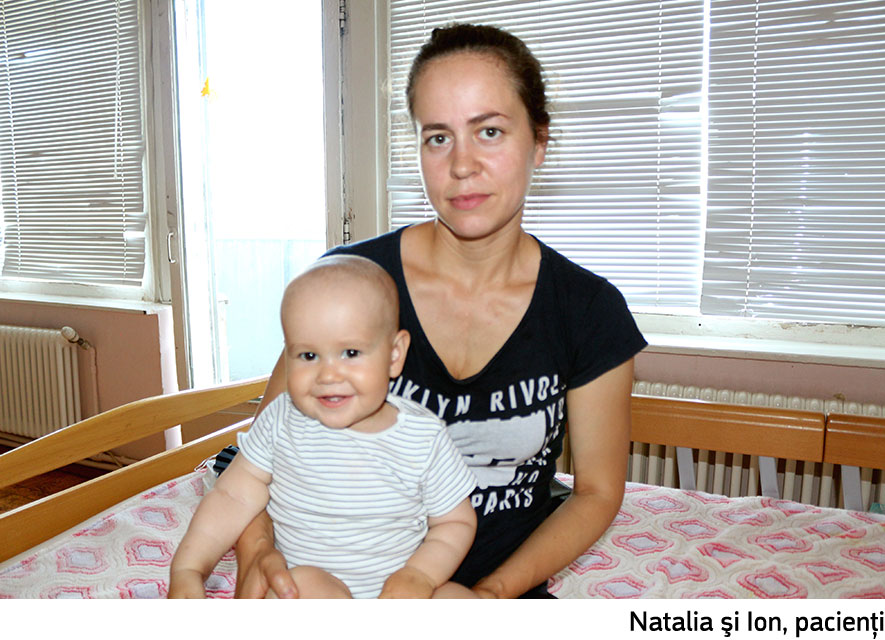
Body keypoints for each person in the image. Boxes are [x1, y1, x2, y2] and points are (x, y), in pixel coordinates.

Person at [234, 23, 647, 599]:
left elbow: (597, 493)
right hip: (337, 580)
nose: (462, 165)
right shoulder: (352, 283)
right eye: (437, 138)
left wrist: (493, 594)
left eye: (490, 131)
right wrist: (258, 553)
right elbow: (260, 457)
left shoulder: (587, 310)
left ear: (539, 142)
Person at [169, 255, 477, 598]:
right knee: (299, 585)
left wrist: (420, 575)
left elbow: (455, 522)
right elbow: (231, 496)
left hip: (399, 593)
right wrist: (188, 568)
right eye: (308, 356)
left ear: (394, 355)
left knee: (459, 599)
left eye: (350, 352)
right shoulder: (280, 422)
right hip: (309, 592)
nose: (328, 375)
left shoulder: (423, 436)